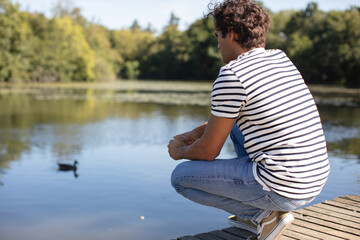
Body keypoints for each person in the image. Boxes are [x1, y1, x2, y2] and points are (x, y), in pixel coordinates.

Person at [167, 0, 330, 239]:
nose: (218, 45)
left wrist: (179, 150)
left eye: (218, 36)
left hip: (285, 187)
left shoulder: (232, 74)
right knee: (234, 128)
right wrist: (195, 132)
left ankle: (261, 215)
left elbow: (208, 152)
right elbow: (236, 118)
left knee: (181, 178)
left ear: (231, 35)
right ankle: (266, 212)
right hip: (313, 180)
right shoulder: (280, 59)